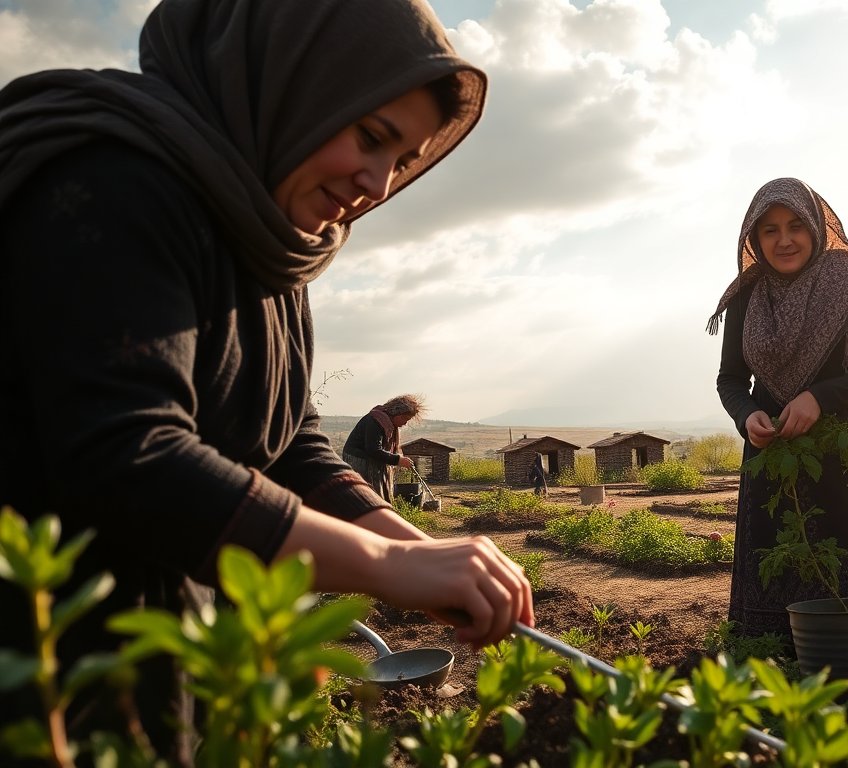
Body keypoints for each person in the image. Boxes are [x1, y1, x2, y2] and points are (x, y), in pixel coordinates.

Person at [0, 0, 531, 758]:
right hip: (44, 652)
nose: (377, 184)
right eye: (371, 137)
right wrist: (389, 566)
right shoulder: (113, 182)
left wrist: (415, 550)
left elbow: (280, 441)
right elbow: (129, 458)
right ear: (294, 83)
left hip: (165, 640)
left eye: (401, 160)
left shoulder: (265, 230)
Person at [708, 177, 848, 639]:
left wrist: (820, 396)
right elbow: (731, 379)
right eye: (769, 230)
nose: (784, 239)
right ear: (754, 238)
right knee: (780, 558)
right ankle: (778, 662)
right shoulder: (747, 298)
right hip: (776, 455)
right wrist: (746, 415)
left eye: (795, 225)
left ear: (816, 227)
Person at [342, 394, 425, 502]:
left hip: (370, 461)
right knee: (366, 497)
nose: (405, 423)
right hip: (360, 462)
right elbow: (373, 450)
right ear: (398, 415)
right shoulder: (376, 421)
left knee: (376, 496)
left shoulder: (387, 424)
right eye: (405, 419)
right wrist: (397, 460)